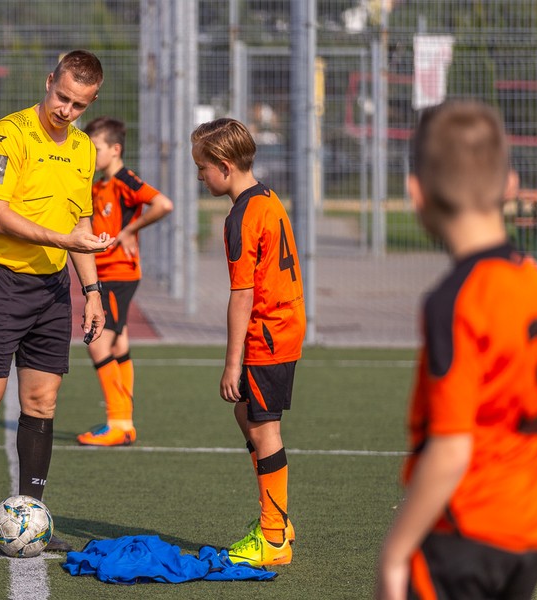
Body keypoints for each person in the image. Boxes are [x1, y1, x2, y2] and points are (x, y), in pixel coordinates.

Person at [377, 100, 537, 599]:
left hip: (465, 530)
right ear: (511, 186)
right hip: (531, 529)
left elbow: (452, 449)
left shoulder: (456, 300)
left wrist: (396, 550)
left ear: (417, 194)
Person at [0, 50, 113, 558]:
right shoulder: (9, 133)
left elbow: (79, 226)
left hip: (51, 290)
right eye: (61, 97)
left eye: (78, 104)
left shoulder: (84, 149)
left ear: (91, 101)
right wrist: (60, 240)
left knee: (42, 403)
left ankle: (32, 518)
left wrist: (91, 292)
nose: (66, 110)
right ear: (49, 82)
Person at [190, 117, 305, 567]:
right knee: (248, 412)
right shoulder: (268, 197)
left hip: (268, 331)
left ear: (223, 165)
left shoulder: (241, 216)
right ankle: (278, 520)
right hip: (287, 322)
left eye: (202, 167)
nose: (200, 176)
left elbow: (242, 296)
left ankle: (273, 537)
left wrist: (231, 364)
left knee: (263, 427)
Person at [76, 116, 173, 447]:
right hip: (105, 272)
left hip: (118, 273)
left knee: (98, 342)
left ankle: (119, 422)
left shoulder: (124, 180)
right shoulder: (99, 183)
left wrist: (130, 231)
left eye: (96, 149)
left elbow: (163, 204)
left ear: (115, 149)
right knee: (118, 345)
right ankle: (122, 422)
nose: (91, 155)